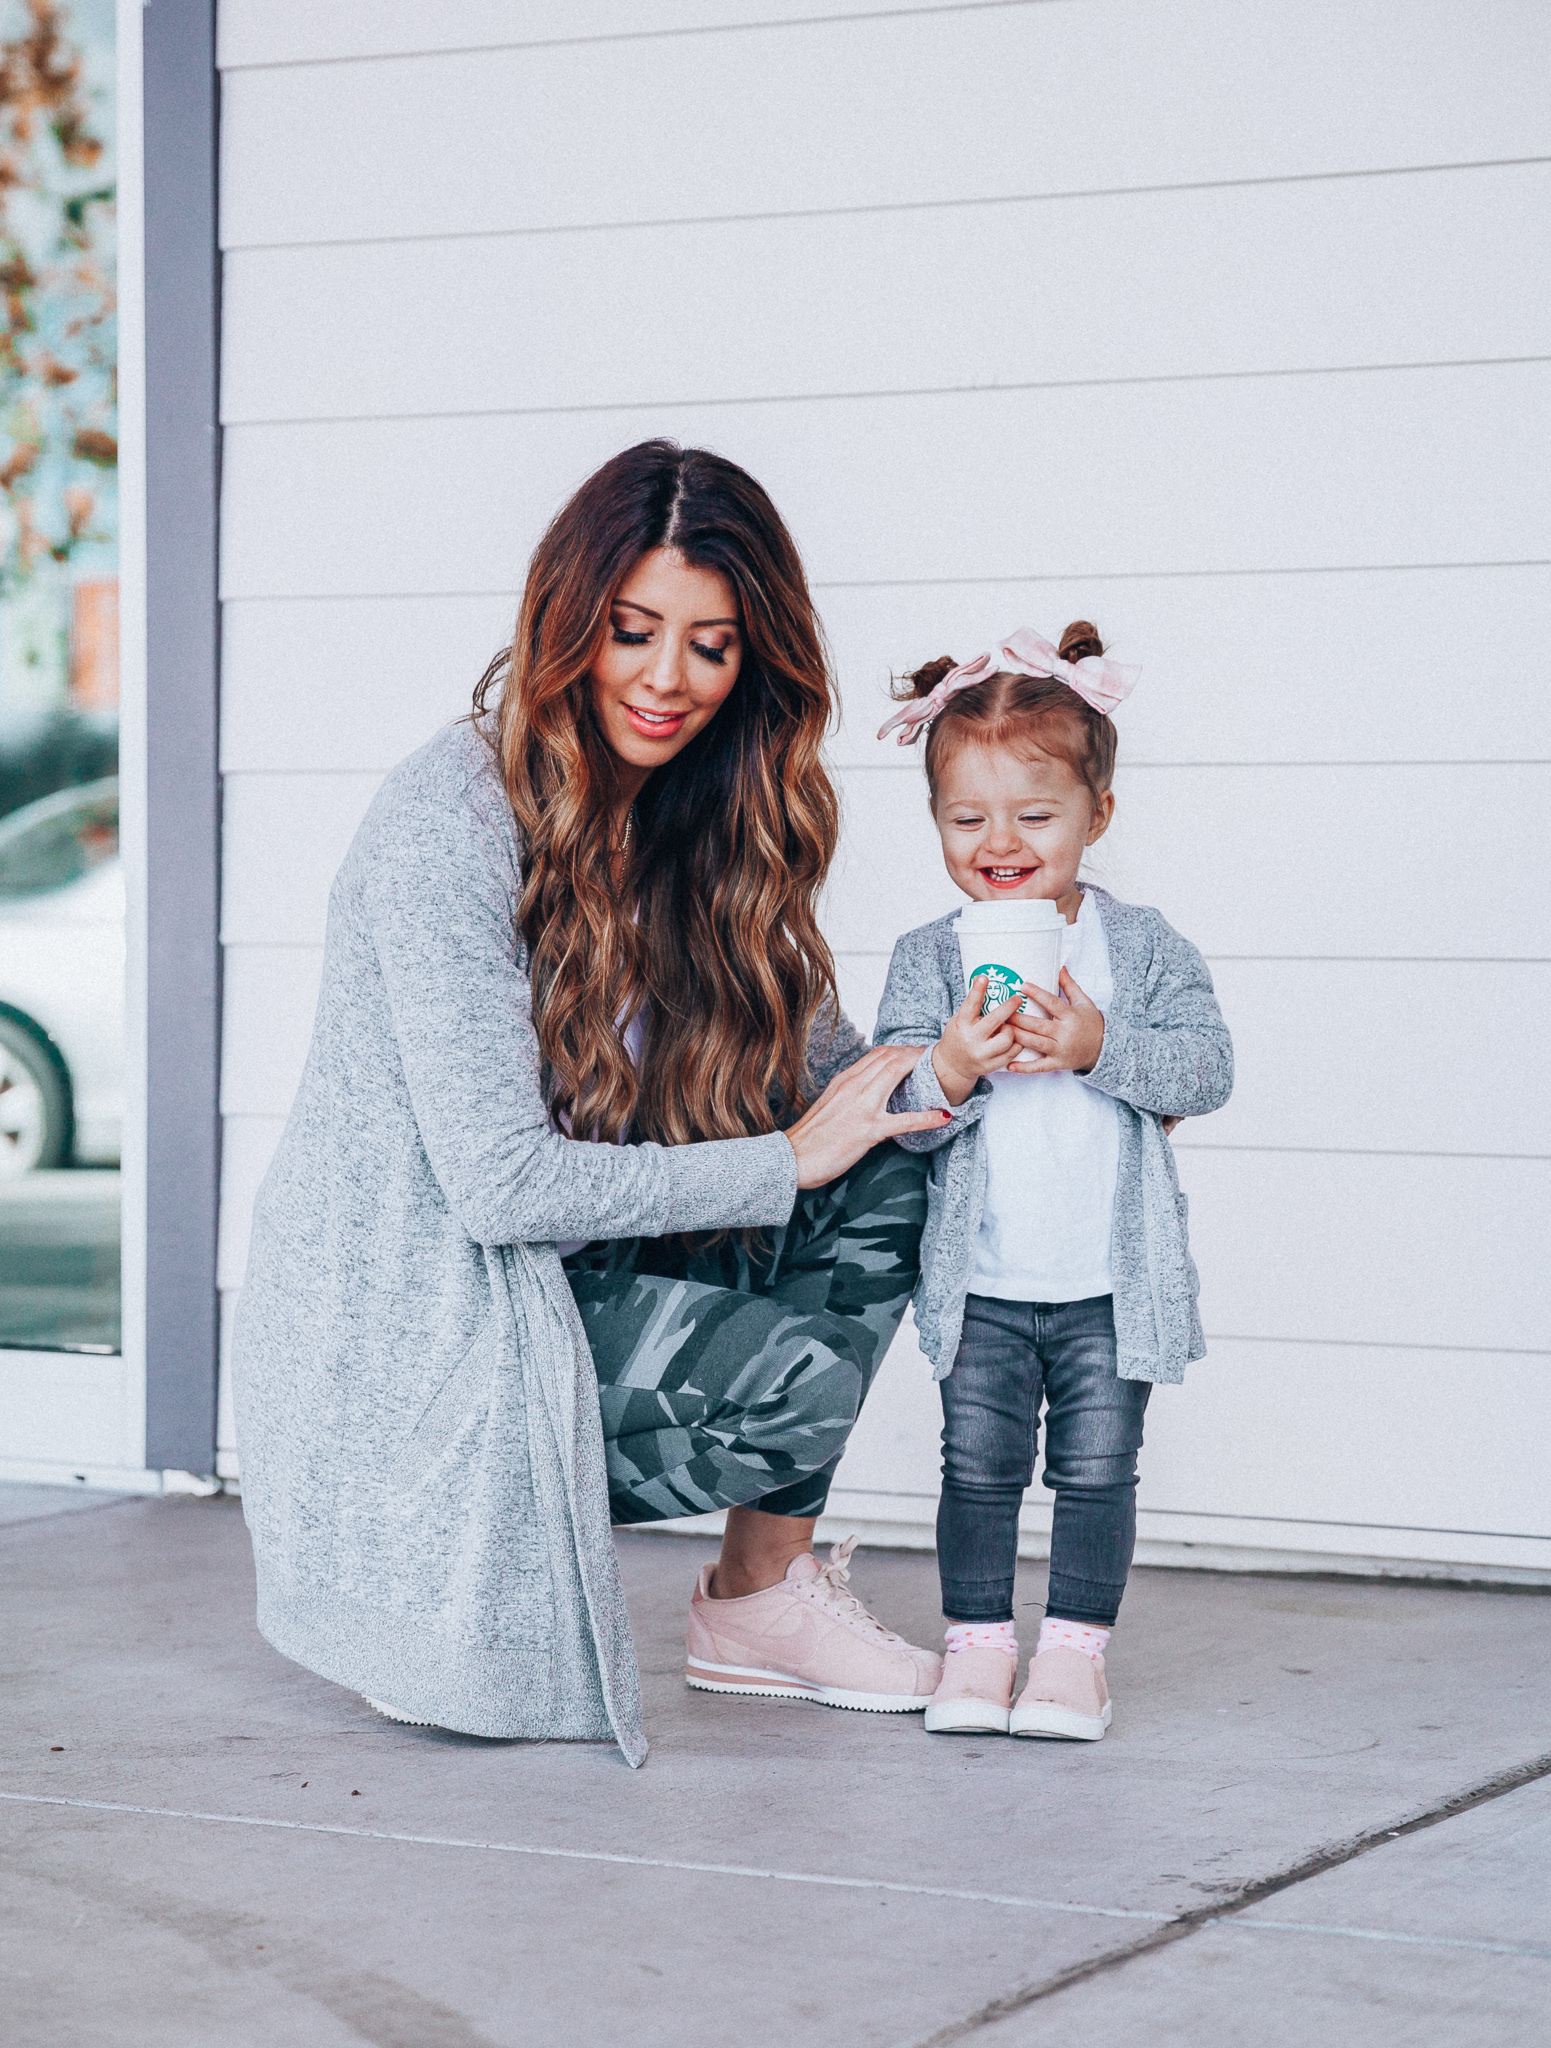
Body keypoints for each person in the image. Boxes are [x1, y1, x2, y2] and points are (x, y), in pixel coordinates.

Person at [231, 441, 948, 1766]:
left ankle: (759, 1603)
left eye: (711, 646)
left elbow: (835, 1077)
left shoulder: (694, 820)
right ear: (569, 619)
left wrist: (998, 1049)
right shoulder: (450, 816)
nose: (667, 679)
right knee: (781, 1383)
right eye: (632, 633)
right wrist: (783, 1159)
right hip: (424, 1334)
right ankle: (442, 1569)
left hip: (571, 1279)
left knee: (890, 1167)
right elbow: (498, 1187)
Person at [870, 624, 1233, 1741]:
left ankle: (1075, 1657)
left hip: (1105, 1283)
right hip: (983, 1282)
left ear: (1097, 815)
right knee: (975, 1465)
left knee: (1096, 1466)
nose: (1001, 842)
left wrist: (1096, 1042)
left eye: (1035, 815)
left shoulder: (1144, 945)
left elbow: (1207, 1069)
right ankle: (978, 1648)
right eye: (966, 818)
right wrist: (952, 1066)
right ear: (935, 824)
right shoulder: (929, 954)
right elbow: (892, 1112)